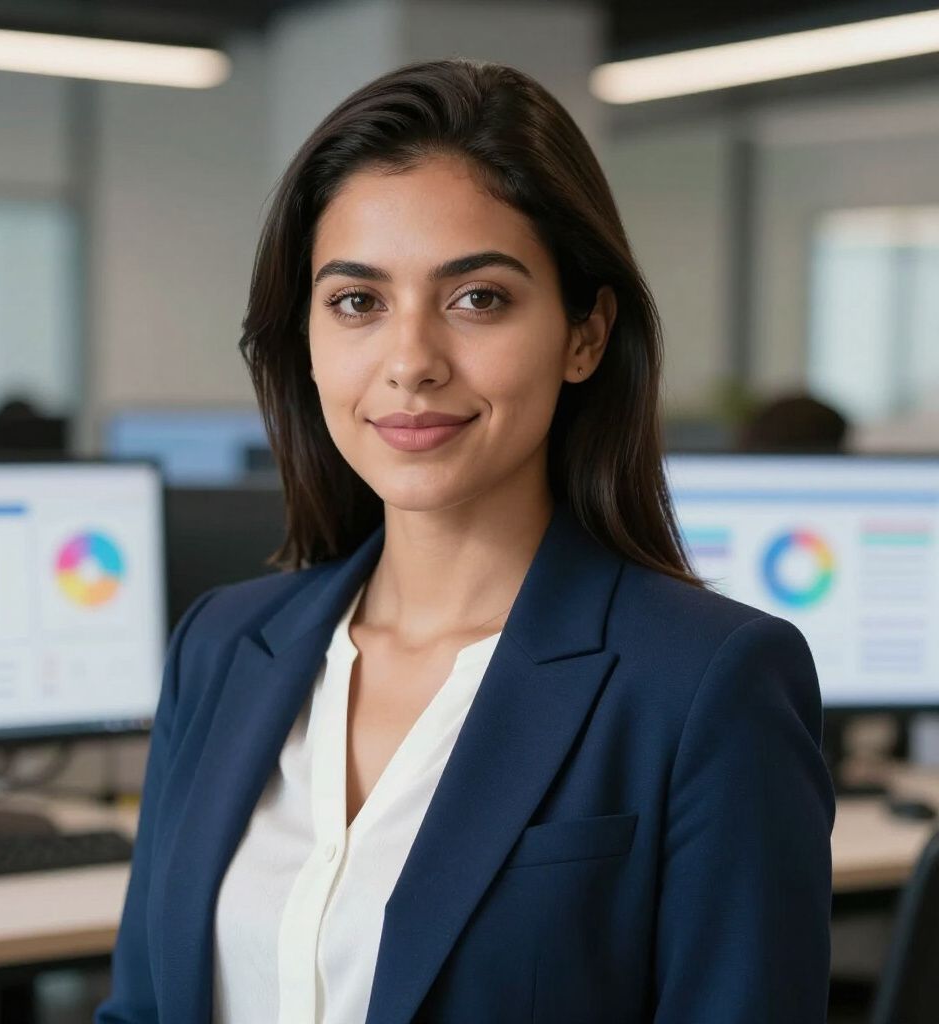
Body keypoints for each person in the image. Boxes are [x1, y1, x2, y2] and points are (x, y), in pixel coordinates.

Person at [96, 59, 835, 1024]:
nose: (410, 363)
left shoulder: (707, 686)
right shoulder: (223, 648)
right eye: (357, 302)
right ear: (307, 340)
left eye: (477, 298)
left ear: (584, 335)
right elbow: (144, 1009)